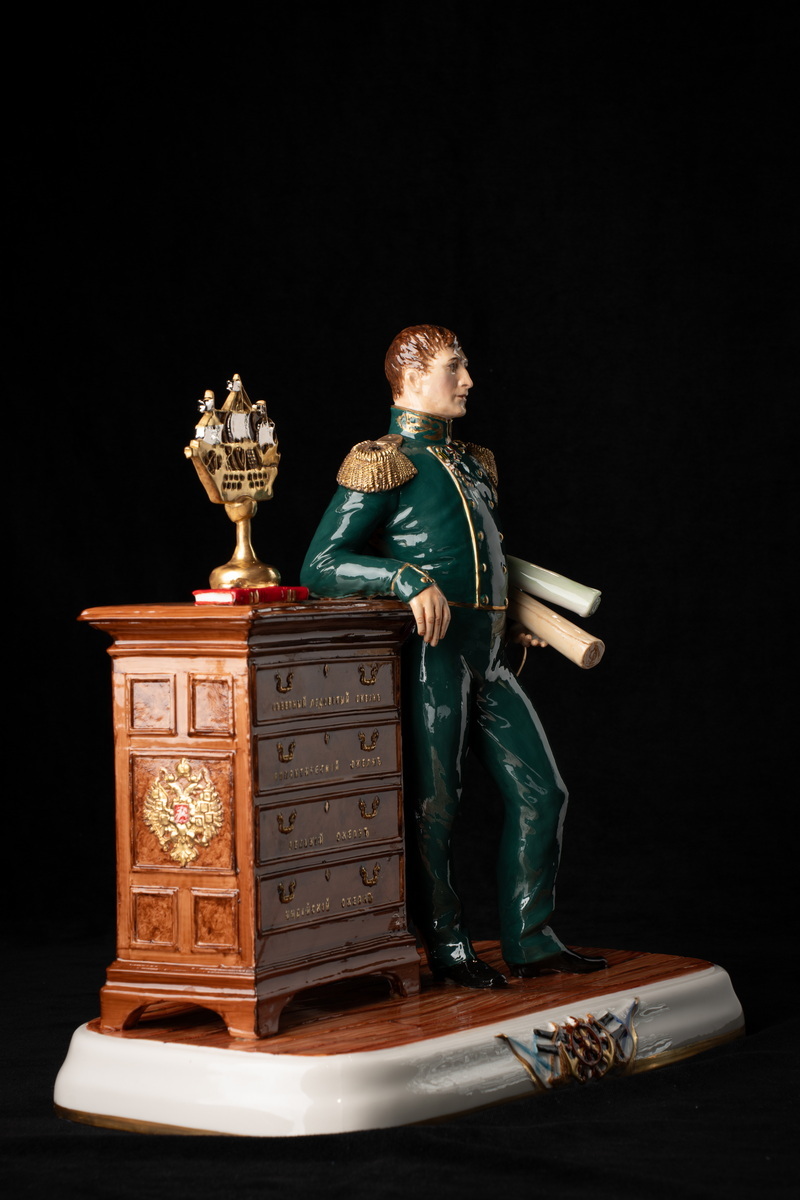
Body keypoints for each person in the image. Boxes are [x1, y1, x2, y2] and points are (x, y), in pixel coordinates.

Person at [301, 325, 606, 988]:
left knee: (543, 791)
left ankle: (530, 938)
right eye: (454, 367)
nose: (467, 381)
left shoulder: (473, 462)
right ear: (412, 378)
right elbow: (321, 564)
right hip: (433, 655)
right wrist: (403, 578)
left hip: (490, 654)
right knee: (435, 806)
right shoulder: (384, 461)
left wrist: (508, 617)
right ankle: (445, 943)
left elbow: (486, 560)